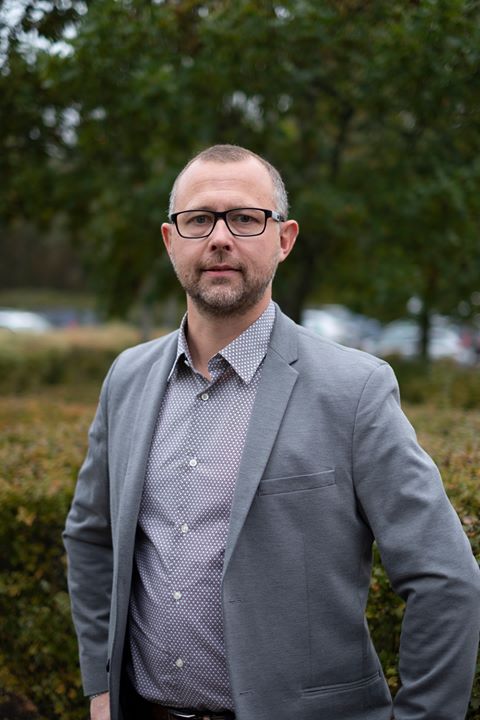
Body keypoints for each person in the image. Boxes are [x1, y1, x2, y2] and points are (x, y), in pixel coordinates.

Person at [64, 144, 480, 720]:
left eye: (244, 218)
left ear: (284, 239)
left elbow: (445, 579)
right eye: (198, 219)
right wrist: (101, 686)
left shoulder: (353, 390)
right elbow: (91, 537)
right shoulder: (127, 379)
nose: (219, 238)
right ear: (170, 240)